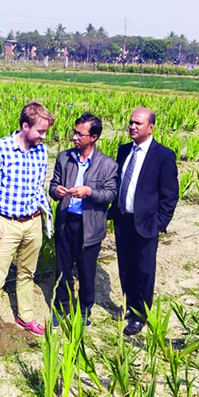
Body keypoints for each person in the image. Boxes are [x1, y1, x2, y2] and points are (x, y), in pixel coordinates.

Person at [0, 101, 54, 363]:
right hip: (5, 224)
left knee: (27, 274)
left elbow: (39, 187)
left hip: (32, 223)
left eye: (45, 133)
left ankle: (26, 316)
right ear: (25, 126)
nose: (43, 137)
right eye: (40, 131)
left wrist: (45, 216)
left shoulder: (41, 152)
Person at [108, 107, 179, 336]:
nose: (132, 126)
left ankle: (140, 315)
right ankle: (130, 307)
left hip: (146, 224)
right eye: (130, 122)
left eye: (138, 123)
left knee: (144, 271)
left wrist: (160, 223)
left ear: (151, 128)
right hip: (123, 220)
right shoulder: (124, 150)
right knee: (126, 268)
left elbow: (170, 194)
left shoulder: (163, 155)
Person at [49, 113, 117, 326]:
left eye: (80, 134)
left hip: (90, 226)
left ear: (94, 137)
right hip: (65, 222)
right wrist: (56, 191)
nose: (74, 137)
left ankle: (85, 309)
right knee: (62, 269)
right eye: (75, 132)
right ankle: (61, 307)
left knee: (87, 272)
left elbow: (110, 195)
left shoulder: (108, 165)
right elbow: (53, 185)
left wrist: (89, 192)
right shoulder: (64, 157)